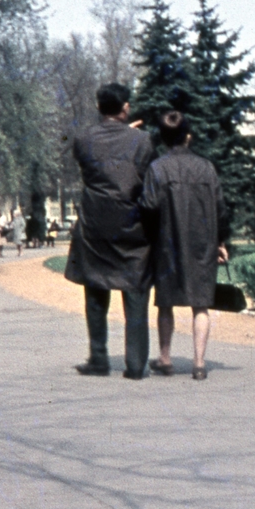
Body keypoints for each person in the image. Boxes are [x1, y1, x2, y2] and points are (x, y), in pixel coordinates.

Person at [63, 82, 155, 379]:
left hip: (95, 224)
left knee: (95, 291)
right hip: (133, 225)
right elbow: (140, 173)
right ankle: (136, 364)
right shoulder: (143, 141)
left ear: (99, 107)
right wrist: (134, 136)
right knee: (136, 294)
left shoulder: (82, 138)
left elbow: (97, 163)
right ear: (126, 108)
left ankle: (99, 358)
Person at [139, 111, 229, 380]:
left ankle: (165, 358)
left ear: (164, 139)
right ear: (188, 136)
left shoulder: (157, 168)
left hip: (167, 244)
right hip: (202, 245)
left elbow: (149, 206)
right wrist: (221, 241)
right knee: (201, 304)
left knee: (165, 303)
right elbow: (220, 208)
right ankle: (199, 363)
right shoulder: (207, 168)